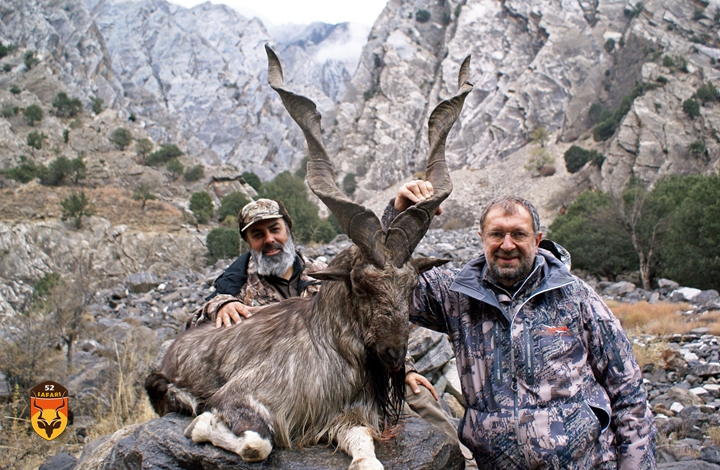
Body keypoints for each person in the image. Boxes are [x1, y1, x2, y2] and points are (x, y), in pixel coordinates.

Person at [384, 181, 656, 469]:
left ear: (537, 240)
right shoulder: (454, 295)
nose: (507, 245)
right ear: (481, 238)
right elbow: (381, 280)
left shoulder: (575, 295)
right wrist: (399, 216)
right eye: (497, 234)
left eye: (518, 234)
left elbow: (628, 391)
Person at [187, 198, 476, 466]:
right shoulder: (234, 289)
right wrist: (220, 304)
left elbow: (378, 293)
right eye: (257, 235)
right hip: (288, 383)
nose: (269, 240)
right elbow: (197, 338)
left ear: (288, 229)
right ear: (248, 242)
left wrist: (405, 367)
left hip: (350, 371)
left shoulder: (325, 272)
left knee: (420, 399)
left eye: (275, 229)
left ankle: (459, 460)